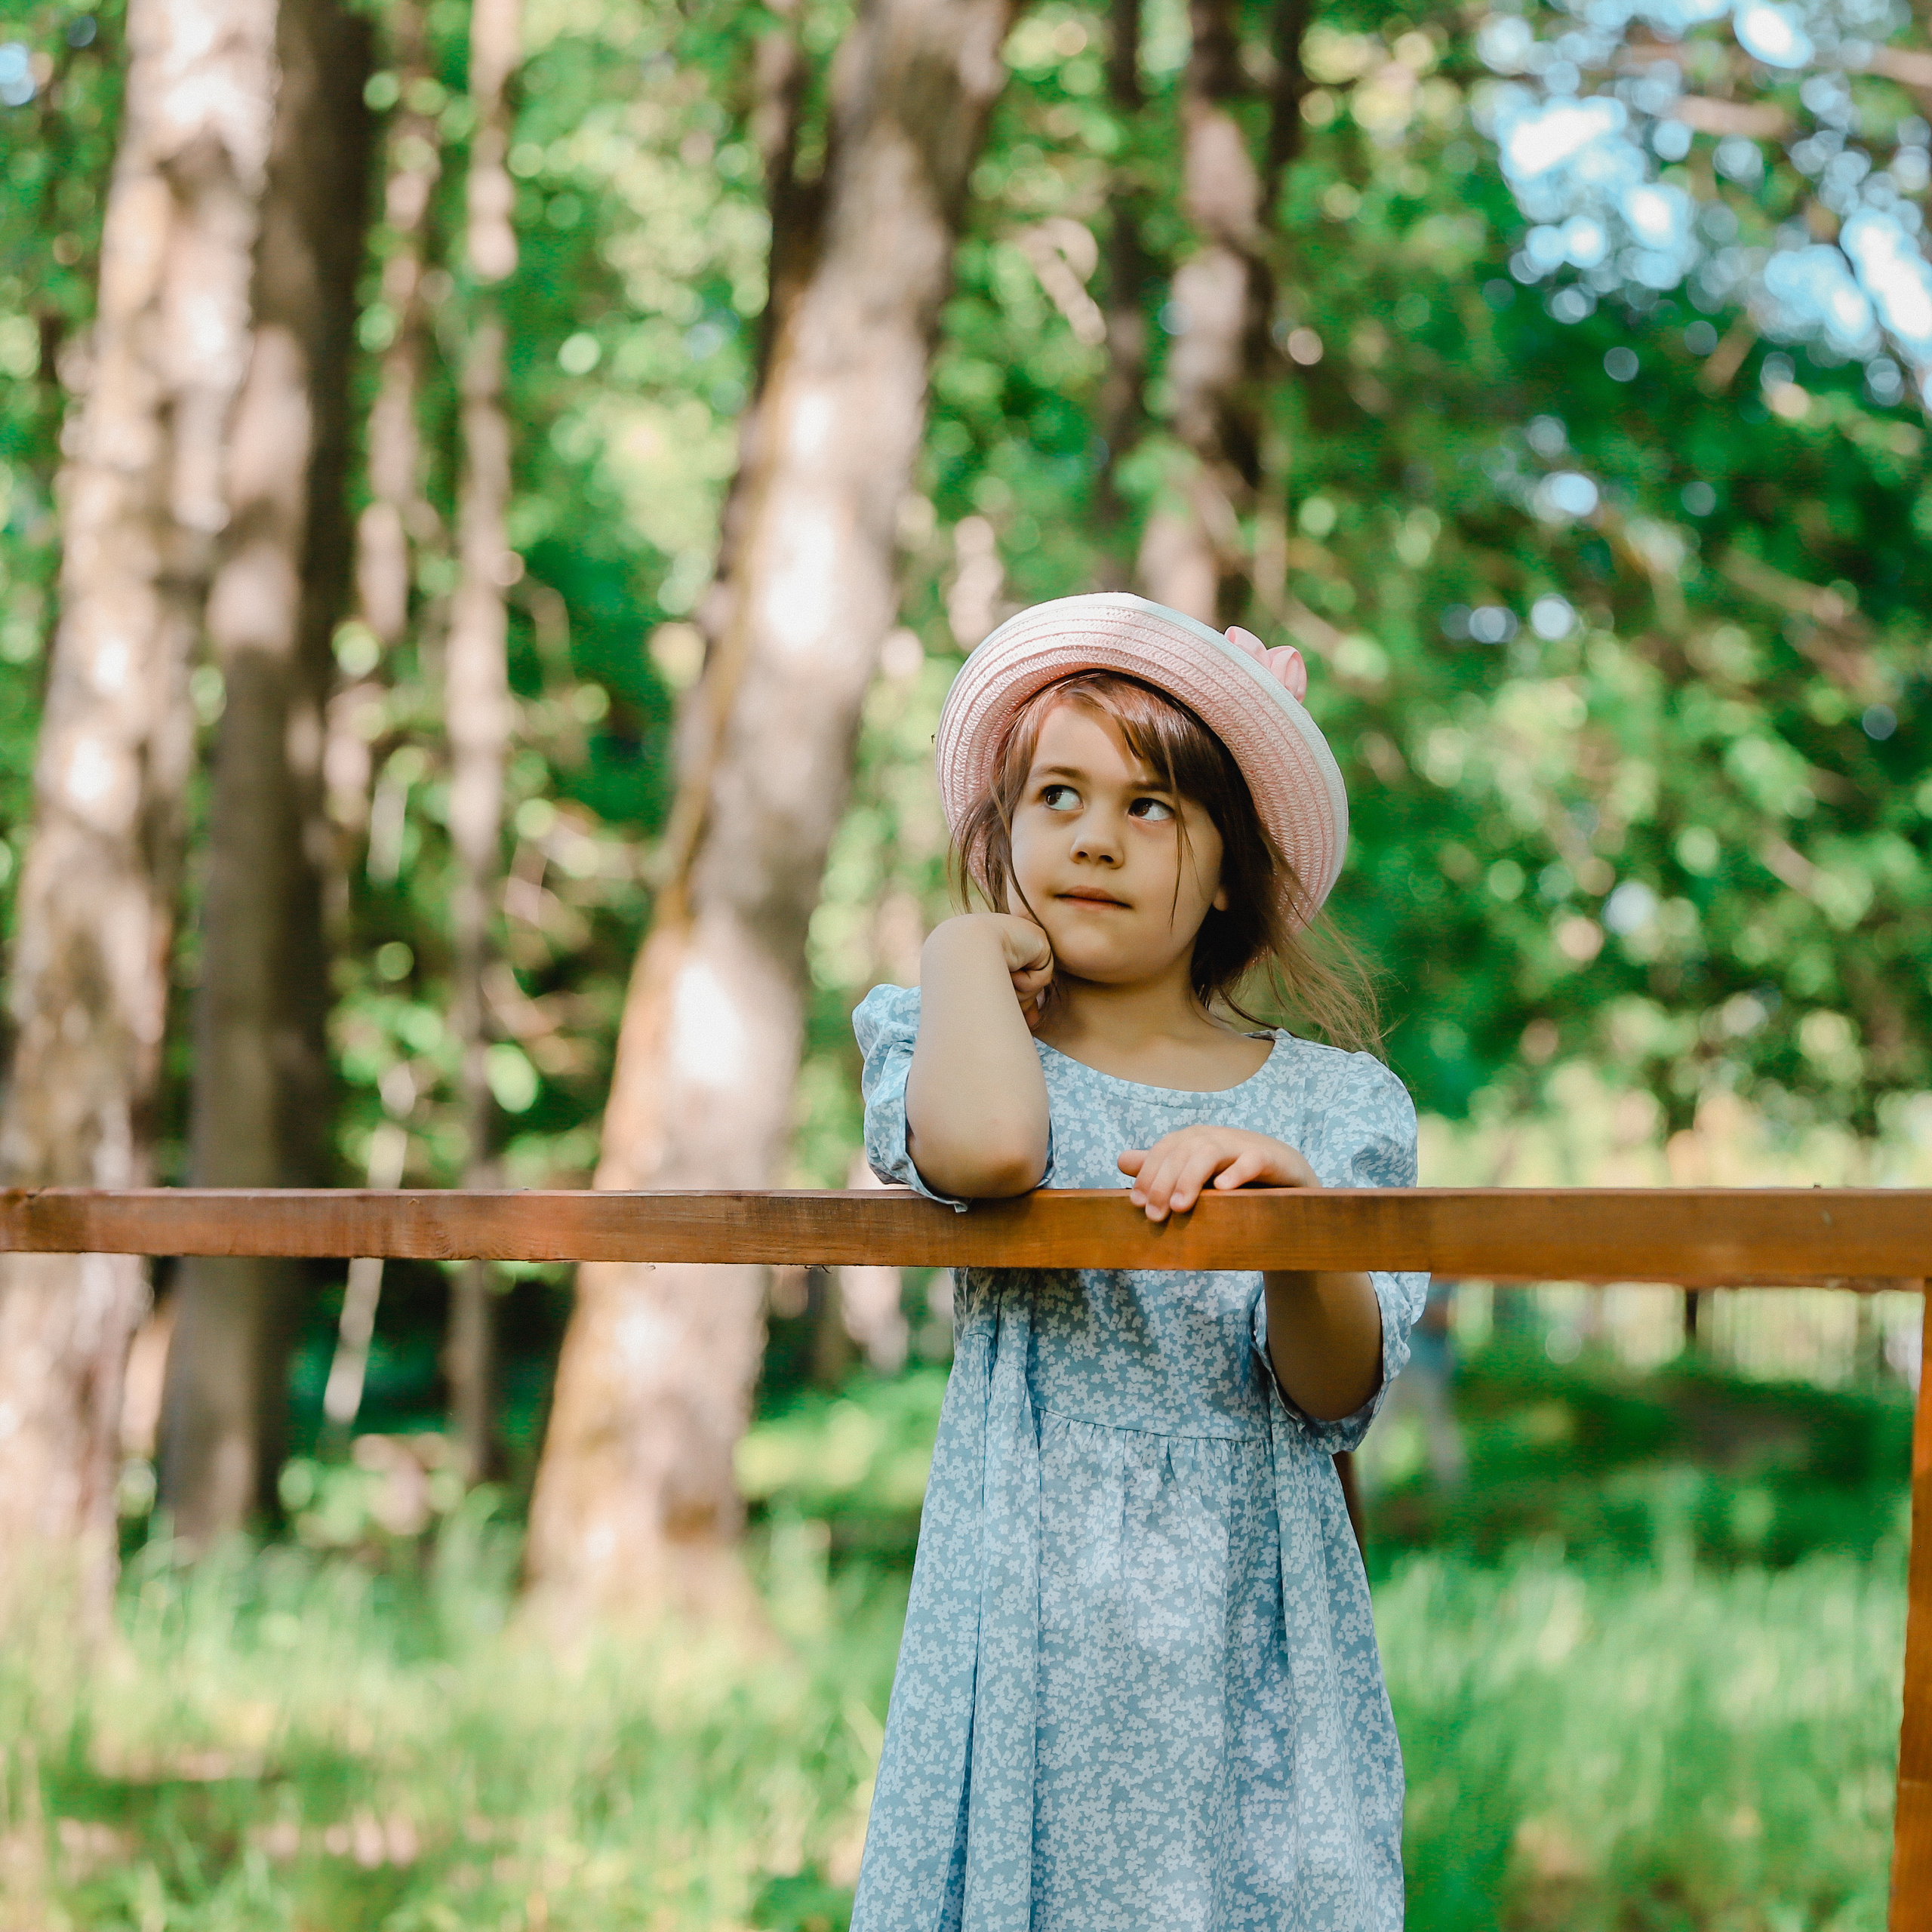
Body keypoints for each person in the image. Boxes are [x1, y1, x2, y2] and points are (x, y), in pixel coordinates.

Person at [848, 594, 1428, 1930]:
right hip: (1028, 1590)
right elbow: (991, 1153)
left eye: (1152, 806)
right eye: (1055, 796)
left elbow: (1337, 1392)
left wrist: (1296, 1227)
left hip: (1246, 1610)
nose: (1095, 837)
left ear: (1231, 866)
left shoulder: (1338, 1108)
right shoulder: (954, 1039)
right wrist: (959, 950)